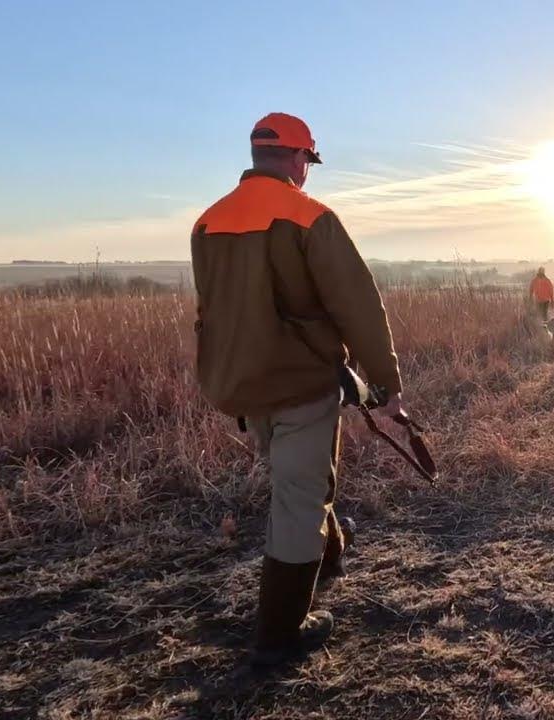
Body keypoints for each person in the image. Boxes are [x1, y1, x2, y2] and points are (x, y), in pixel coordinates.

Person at [190, 112, 407, 666]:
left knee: (299, 477)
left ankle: (330, 550)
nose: (307, 172)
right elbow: (358, 305)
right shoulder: (310, 217)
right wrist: (385, 382)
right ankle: (282, 630)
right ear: (295, 158)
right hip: (300, 382)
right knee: (298, 497)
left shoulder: (207, 223)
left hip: (239, 385)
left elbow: (215, 310)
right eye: (308, 161)